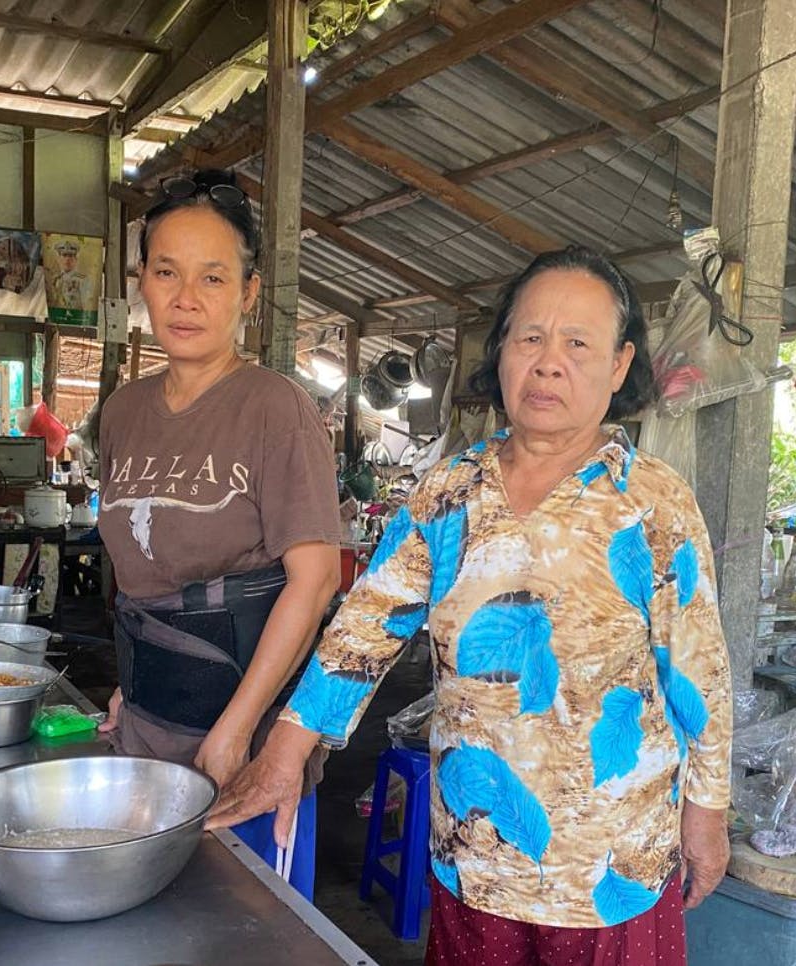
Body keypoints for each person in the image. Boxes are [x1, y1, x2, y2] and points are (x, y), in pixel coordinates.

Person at [210, 246, 733, 965]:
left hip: (610, 868)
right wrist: (282, 753)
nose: (549, 364)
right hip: (475, 858)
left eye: (578, 344)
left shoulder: (653, 502)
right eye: (530, 338)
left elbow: (700, 673)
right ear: (502, 352)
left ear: (619, 366)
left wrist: (707, 813)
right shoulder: (449, 491)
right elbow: (367, 625)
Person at [94, 169, 343, 898]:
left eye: (213, 277)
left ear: (248, 293)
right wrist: (132, 681)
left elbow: (316, 582)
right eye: (166, 272)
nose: (186, 298)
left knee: (240, 924)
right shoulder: (123, 412)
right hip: (147, 727)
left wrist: (237, 729)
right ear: (141, 283)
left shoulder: (276, 409)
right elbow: (141, 569)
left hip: (243, 745)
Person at [49, 239, 95, 313]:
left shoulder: (83, 280)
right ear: (59, 259)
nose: (67, 259)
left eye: (71, 256)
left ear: (76, 259)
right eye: (64, 255)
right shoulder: (55, 280)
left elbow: (87, 305)